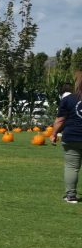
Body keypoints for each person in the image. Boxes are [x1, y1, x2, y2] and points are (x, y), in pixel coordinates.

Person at [50, 72, 82, 204]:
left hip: (71, 137)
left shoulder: (68, 100)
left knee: (71, 167)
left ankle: (71, 196)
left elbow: (60, 120)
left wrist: (53, 134)